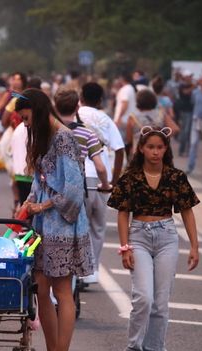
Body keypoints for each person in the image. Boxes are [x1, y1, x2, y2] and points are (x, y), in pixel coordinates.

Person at [108, 125, 199, 351]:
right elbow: (122, 212)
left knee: (160, 302)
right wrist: (125, 247)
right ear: (141, 149)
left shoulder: (176, 177)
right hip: (138, 235)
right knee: (143, 298)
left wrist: (194, 246)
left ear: (166, 149)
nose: (155, 152)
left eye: (160, 147)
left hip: (167, 236)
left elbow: (188, 212)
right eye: (150, 147)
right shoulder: (130, 177)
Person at [14, 88, 93, 351]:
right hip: (44, 226)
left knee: (62, 290)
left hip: (63, 226)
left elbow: (73, 191)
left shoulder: (64, 139)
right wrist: (29, 203)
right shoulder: (46, 138)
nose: (25, 124)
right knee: (41, 288)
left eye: (25, 117)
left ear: (37, 109)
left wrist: (42, 205)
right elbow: (40, 181)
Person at [78, 82, 125, 283]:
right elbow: (120, 149)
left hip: (78, 176)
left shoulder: (75, 115)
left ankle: (77, 267)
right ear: (100, 100)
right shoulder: (106, 119)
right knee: (98, 227)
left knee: (80, 226)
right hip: (101, 177)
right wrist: (114, 181)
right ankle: (92, 270)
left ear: (80, 97)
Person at [126, 89, 179, 160]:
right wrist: (161, 136)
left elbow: (129, 139)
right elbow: (175, 129)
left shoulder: (132, 117)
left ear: (138, 101)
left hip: (140, 154)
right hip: (158, 154)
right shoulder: (161, 114)